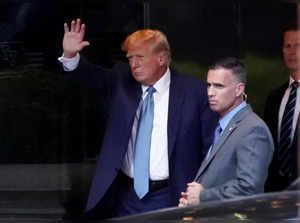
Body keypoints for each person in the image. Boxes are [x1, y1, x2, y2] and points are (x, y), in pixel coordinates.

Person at [58, 18, 218, 218]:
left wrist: (203, 191)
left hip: (171, 194)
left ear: (162, 58)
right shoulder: (122, 83)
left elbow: (211, 149)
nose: (134, 64)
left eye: (140, 57)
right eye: (130, 58)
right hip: (126, 195)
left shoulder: (195, 93)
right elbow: (91, 76)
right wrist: (71, 55)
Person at [178, 57, 274, 207]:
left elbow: (249, 189)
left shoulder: (253, 129)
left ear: (239, 89)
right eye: (209, 85)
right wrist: (191, 200)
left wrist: (203, 197)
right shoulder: (225, 125)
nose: (210, 92)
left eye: (218, 86)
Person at [264, 21, 300, 192]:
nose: (292, 51)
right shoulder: (274, 97)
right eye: (287, 46)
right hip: (276, 192)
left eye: (298, 45)